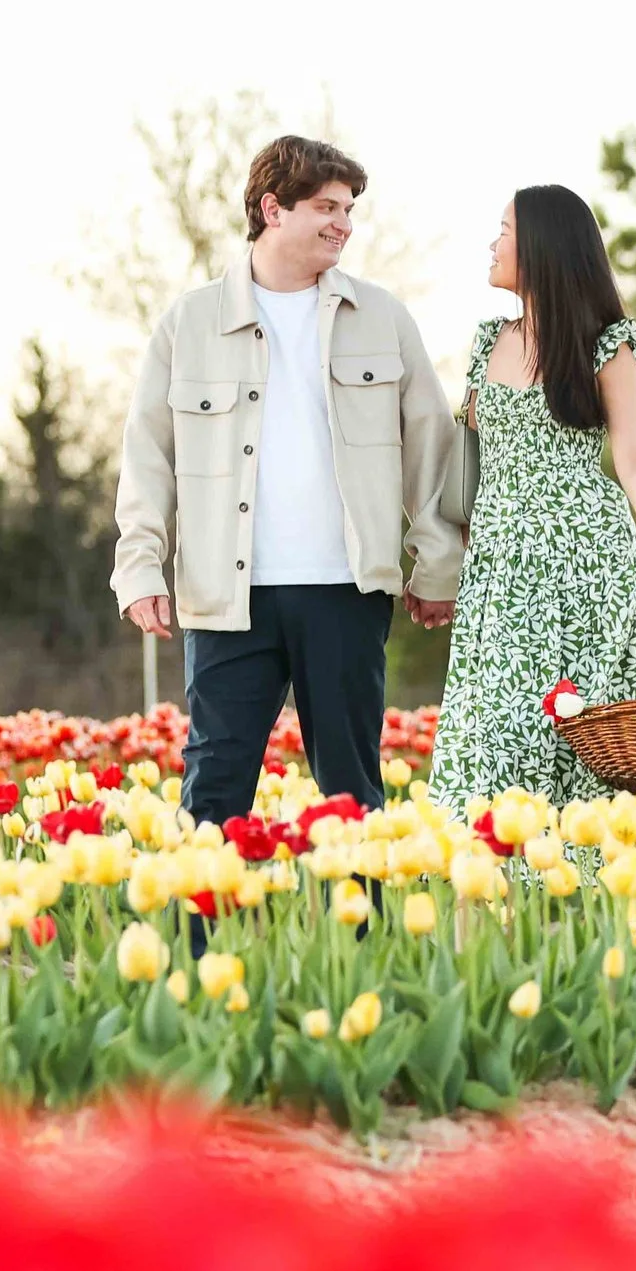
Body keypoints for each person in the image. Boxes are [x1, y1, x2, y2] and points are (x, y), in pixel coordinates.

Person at [109, 136, 463, 946]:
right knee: (216, 780)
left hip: (346, 590)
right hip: (224, 596)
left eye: (349, 210)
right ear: (273, 210)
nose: (344, 225)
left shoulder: (382, 317)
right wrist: (139, 565)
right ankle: (193, 966)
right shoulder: (189, 322)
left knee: (350, 787)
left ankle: (369, 964)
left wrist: (436, 562)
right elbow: (147, 453)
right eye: (327, 208)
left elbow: (431, 447)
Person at [425, 185, 636, 813]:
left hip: (591, 569)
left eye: (504, 230)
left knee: (590, 747)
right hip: (500, 575)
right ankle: (502, 894)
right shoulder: (486, 342)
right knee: (494, 742)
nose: (492, 243)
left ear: (542, 247)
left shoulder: (608, 344)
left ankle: (591, 898)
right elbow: (463, 458)